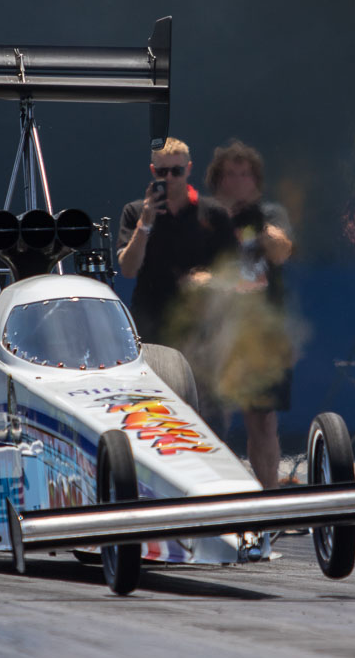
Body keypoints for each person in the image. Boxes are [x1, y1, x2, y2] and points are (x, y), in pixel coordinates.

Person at [206, 140, 294, 489]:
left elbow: (282, 251)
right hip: (218, 329)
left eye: (245, 175)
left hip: (261, 333)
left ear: (256, 180)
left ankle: (269, 496)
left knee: (263, 420)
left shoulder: (270, 215)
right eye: (231, 174)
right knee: (213, 418)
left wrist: (254, 220)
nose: (239, 181)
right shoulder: (205, 217)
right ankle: (217, 494)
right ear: (218, 180)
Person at [116, 137, 237, 345]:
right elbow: (128, 269)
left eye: (176, 171)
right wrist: (144, 224)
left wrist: (210, 279)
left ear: (188, 169)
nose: (170, 177)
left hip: (201, 323)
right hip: (151, 323)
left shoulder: (213, 213)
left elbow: (234, 268)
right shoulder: (135, 212)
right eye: (163, 172)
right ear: (153, 171)